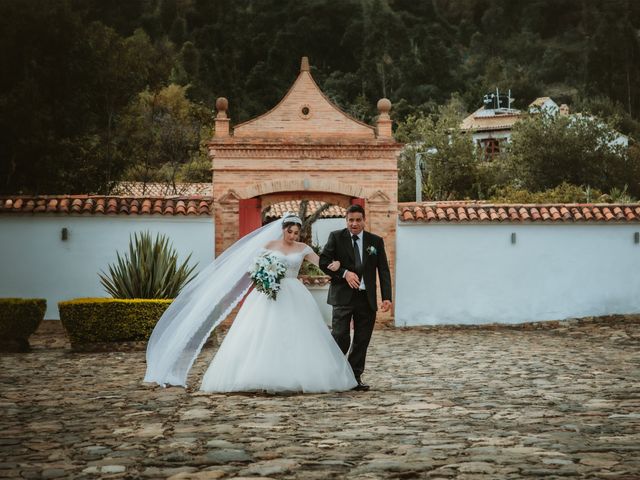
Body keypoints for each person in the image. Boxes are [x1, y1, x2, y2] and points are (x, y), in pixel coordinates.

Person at [144, 214, 357, 393]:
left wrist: (336, 264)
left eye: (296, 232)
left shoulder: (303, 248)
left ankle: (298, 375)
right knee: (261, 332)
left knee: (297, 334)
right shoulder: (268, 246)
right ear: (283, 229)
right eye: (290, 231)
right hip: (268, 294)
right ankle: (258, 375)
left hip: (294, 293)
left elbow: (322, 263)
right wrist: (263, 277)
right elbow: (253, 267)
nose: (293, 236)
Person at [319, 204, 392, 391]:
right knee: (340, 337)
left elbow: (383, 270)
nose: (354, 224)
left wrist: (386, 297)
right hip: (342, 297)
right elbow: (323, 262)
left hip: (365, 299)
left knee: (362, 340)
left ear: (364, 221)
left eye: (358, 220)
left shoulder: (375, 241)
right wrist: (344, 273)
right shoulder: (336, 237)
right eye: (351, 220)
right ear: (346, 220)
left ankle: (354, 378)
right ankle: (332, 374)